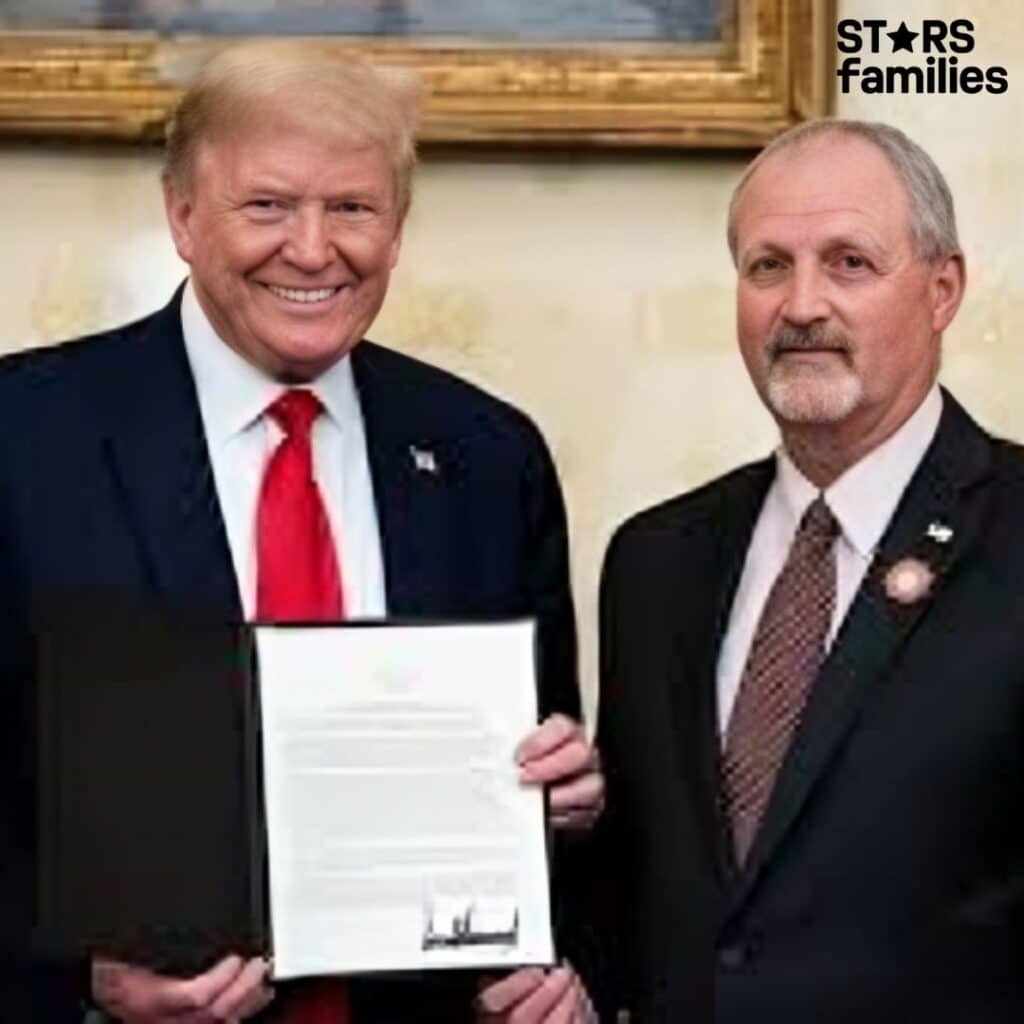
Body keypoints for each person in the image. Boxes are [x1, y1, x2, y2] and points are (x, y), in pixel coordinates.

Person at [0, 42, 600, 1023]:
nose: (314, 249)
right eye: (268, 205)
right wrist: (77, 982)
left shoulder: (488, 459)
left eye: (353, 208)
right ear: (183, 216)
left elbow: (544, 802)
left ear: (398, 230)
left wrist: (569, 800)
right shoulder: (24, 441)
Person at [593, 118, 1024, 1021]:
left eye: (849, 263)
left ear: (942, 289)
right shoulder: (654, 561)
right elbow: (642, 881)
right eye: (767, 266)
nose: (801, 306)